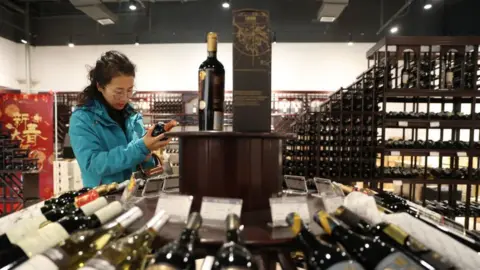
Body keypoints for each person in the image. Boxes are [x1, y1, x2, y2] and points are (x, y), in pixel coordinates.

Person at [69, 51, 170, 188]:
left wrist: (149, 156)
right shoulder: (82, 119)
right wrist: (141, 147)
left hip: (134, 194)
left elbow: (143, 162)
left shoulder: (133, 116)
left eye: (129, 90)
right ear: (100, 86)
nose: (125, 98)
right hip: (103, 199)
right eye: (118, 92)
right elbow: (93, 164)